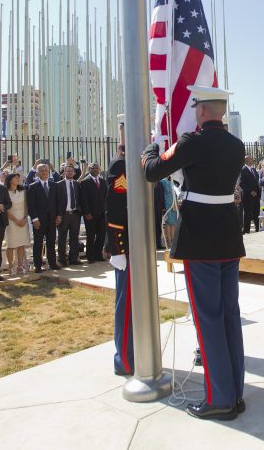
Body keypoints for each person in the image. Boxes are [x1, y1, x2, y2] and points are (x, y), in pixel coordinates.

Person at [143, 85, 246, 421]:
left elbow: (152, 171)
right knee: (229, 315)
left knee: (208, 319)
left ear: (202, 110)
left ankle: (219, 399)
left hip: (201, 239)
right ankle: (235, 393)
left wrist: (150, 149)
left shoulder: (192, 141)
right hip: (228, 237)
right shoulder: (235, 145)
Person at [105, 131, 133, 378]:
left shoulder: (131, 163)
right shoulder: (121, 165)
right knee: (126, 305)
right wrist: (118, 249)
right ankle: (124, 359)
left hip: (137, 244)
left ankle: (134, 354)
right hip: (126, 246)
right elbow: (115, 210)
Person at [26, 163, 60, 272]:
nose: (44, 172)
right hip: (39, 220)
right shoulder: (33, 186)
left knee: (51, 242)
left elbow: (58, 202)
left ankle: (52, 263)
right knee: (38, 243)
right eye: (42, 171)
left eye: (46, 170)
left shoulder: (54, 185)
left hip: (52, 219)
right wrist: (34, 219)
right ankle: (38, 265)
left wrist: (59, 215)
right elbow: (31, 205)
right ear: (37, 172)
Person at [79, 162, 107, 262]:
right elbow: (84, 199)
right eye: (93, 168)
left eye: (96, 168)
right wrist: (86, 212)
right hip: (90, 214)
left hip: (102, 214)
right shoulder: (85, 182)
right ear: (89, 170)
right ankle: (90, 256)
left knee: (101, 235)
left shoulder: (103, 182)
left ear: (99, 169)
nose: (95, 170)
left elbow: (105, 198)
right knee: (91, 236)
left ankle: (98, 254)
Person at [54, 164, 82, 266]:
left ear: (74, 173)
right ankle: (62, 259)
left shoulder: (77, 184)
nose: (70, 172)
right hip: (63, 215)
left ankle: (73, 258)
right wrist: (58, 215)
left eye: (71, 171)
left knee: (74, 237)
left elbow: (80, 199)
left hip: (75, 214)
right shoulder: (58, 184)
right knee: (62, 238)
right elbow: (56, 202)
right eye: (68, 171)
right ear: (64, 172)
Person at [4, 173, 31, 276]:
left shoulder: (22, 190)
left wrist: (24, 218)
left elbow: (25, 205)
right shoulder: (6, 192)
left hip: (22, 219)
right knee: (11, 245)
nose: (17, 179)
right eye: (15, 178)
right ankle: (11, 267)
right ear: (10, 180)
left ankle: (20, 266)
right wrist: (16, 220)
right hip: (11, 221)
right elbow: (6, 209)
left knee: (21, 244)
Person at [239, 156, 260, 234]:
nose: (253, 159)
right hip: (248, 196)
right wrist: (250, 191)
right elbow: (241, 183)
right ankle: (246, 230)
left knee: (256, 213)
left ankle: (258, 229)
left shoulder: (253, 169)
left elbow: (256, 181)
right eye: (251, 158)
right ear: (247, 160)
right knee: (248, 214)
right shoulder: (243, 170)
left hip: (256, 196)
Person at [160, 177, 178, 249]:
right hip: (167, 204)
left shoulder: (173, 182)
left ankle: (173, 241)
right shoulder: (163, 182)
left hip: (173, 204)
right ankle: (168, 241)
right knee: (168, 223)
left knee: (173, 223)